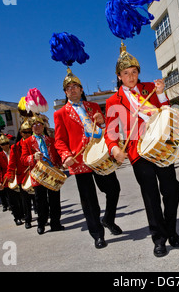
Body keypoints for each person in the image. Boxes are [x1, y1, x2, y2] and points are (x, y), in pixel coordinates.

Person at [104, 43, 179, 257]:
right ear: (119, 76)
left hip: (160, 146)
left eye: (134, 72)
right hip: (138, 152)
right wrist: (114, 149)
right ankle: (159, 239)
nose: (131, 76)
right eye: (126, 73)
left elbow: (166, 111)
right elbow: (110, 132)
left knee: (171, 189)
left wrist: (162, 94)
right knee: (151, 196)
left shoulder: (149, 88)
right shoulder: (113, 100)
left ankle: (171, 229)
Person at [54, 68, 122, 249]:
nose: (72, 89)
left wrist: (102, 121)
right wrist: (66, 155)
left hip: (99, 155)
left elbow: (103, 129)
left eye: (75, 86)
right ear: (65, 92)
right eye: (68, 88)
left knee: (113, 188)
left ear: (81, 89)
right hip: (79, 161)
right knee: (89, 199)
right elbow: (59, 140)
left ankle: (108, 219)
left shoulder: (92, 107)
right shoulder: (60, 114)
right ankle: (97, 234)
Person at [21, 116, 64, 235]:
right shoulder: (27, 142)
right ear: (31, 127)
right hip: (38, 175)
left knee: (55, 200)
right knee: (41, 202)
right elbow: (23, 160)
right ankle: (41, 224)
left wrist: (61, 164)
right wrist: (32, 157)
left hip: (52, 173)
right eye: (34, 125)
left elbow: (57, 155)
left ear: (43, 126)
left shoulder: (51, 140)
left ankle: (56, 223)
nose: (37, 126)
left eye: (39, 124)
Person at [6, 120, 34, 229]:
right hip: (23, 177)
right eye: (25, 132)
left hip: (35, 175)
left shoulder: (35, 142)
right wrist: (10, 175)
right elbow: (12, 163)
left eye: (29, 132)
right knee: (25, 201)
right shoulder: (15, 147)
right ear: (21, 133)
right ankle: (28, 220)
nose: (27, 134)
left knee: (38, 199)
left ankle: (43, 219)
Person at [0, 134, 23, 225]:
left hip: (19, 177)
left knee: (22, 199)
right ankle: (17, 218)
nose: (6, 145)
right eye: (3, 144)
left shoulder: (15, 151)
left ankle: (23, 214)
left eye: (7, 143)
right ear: (0, 146)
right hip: (8, 181)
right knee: (13, 201)